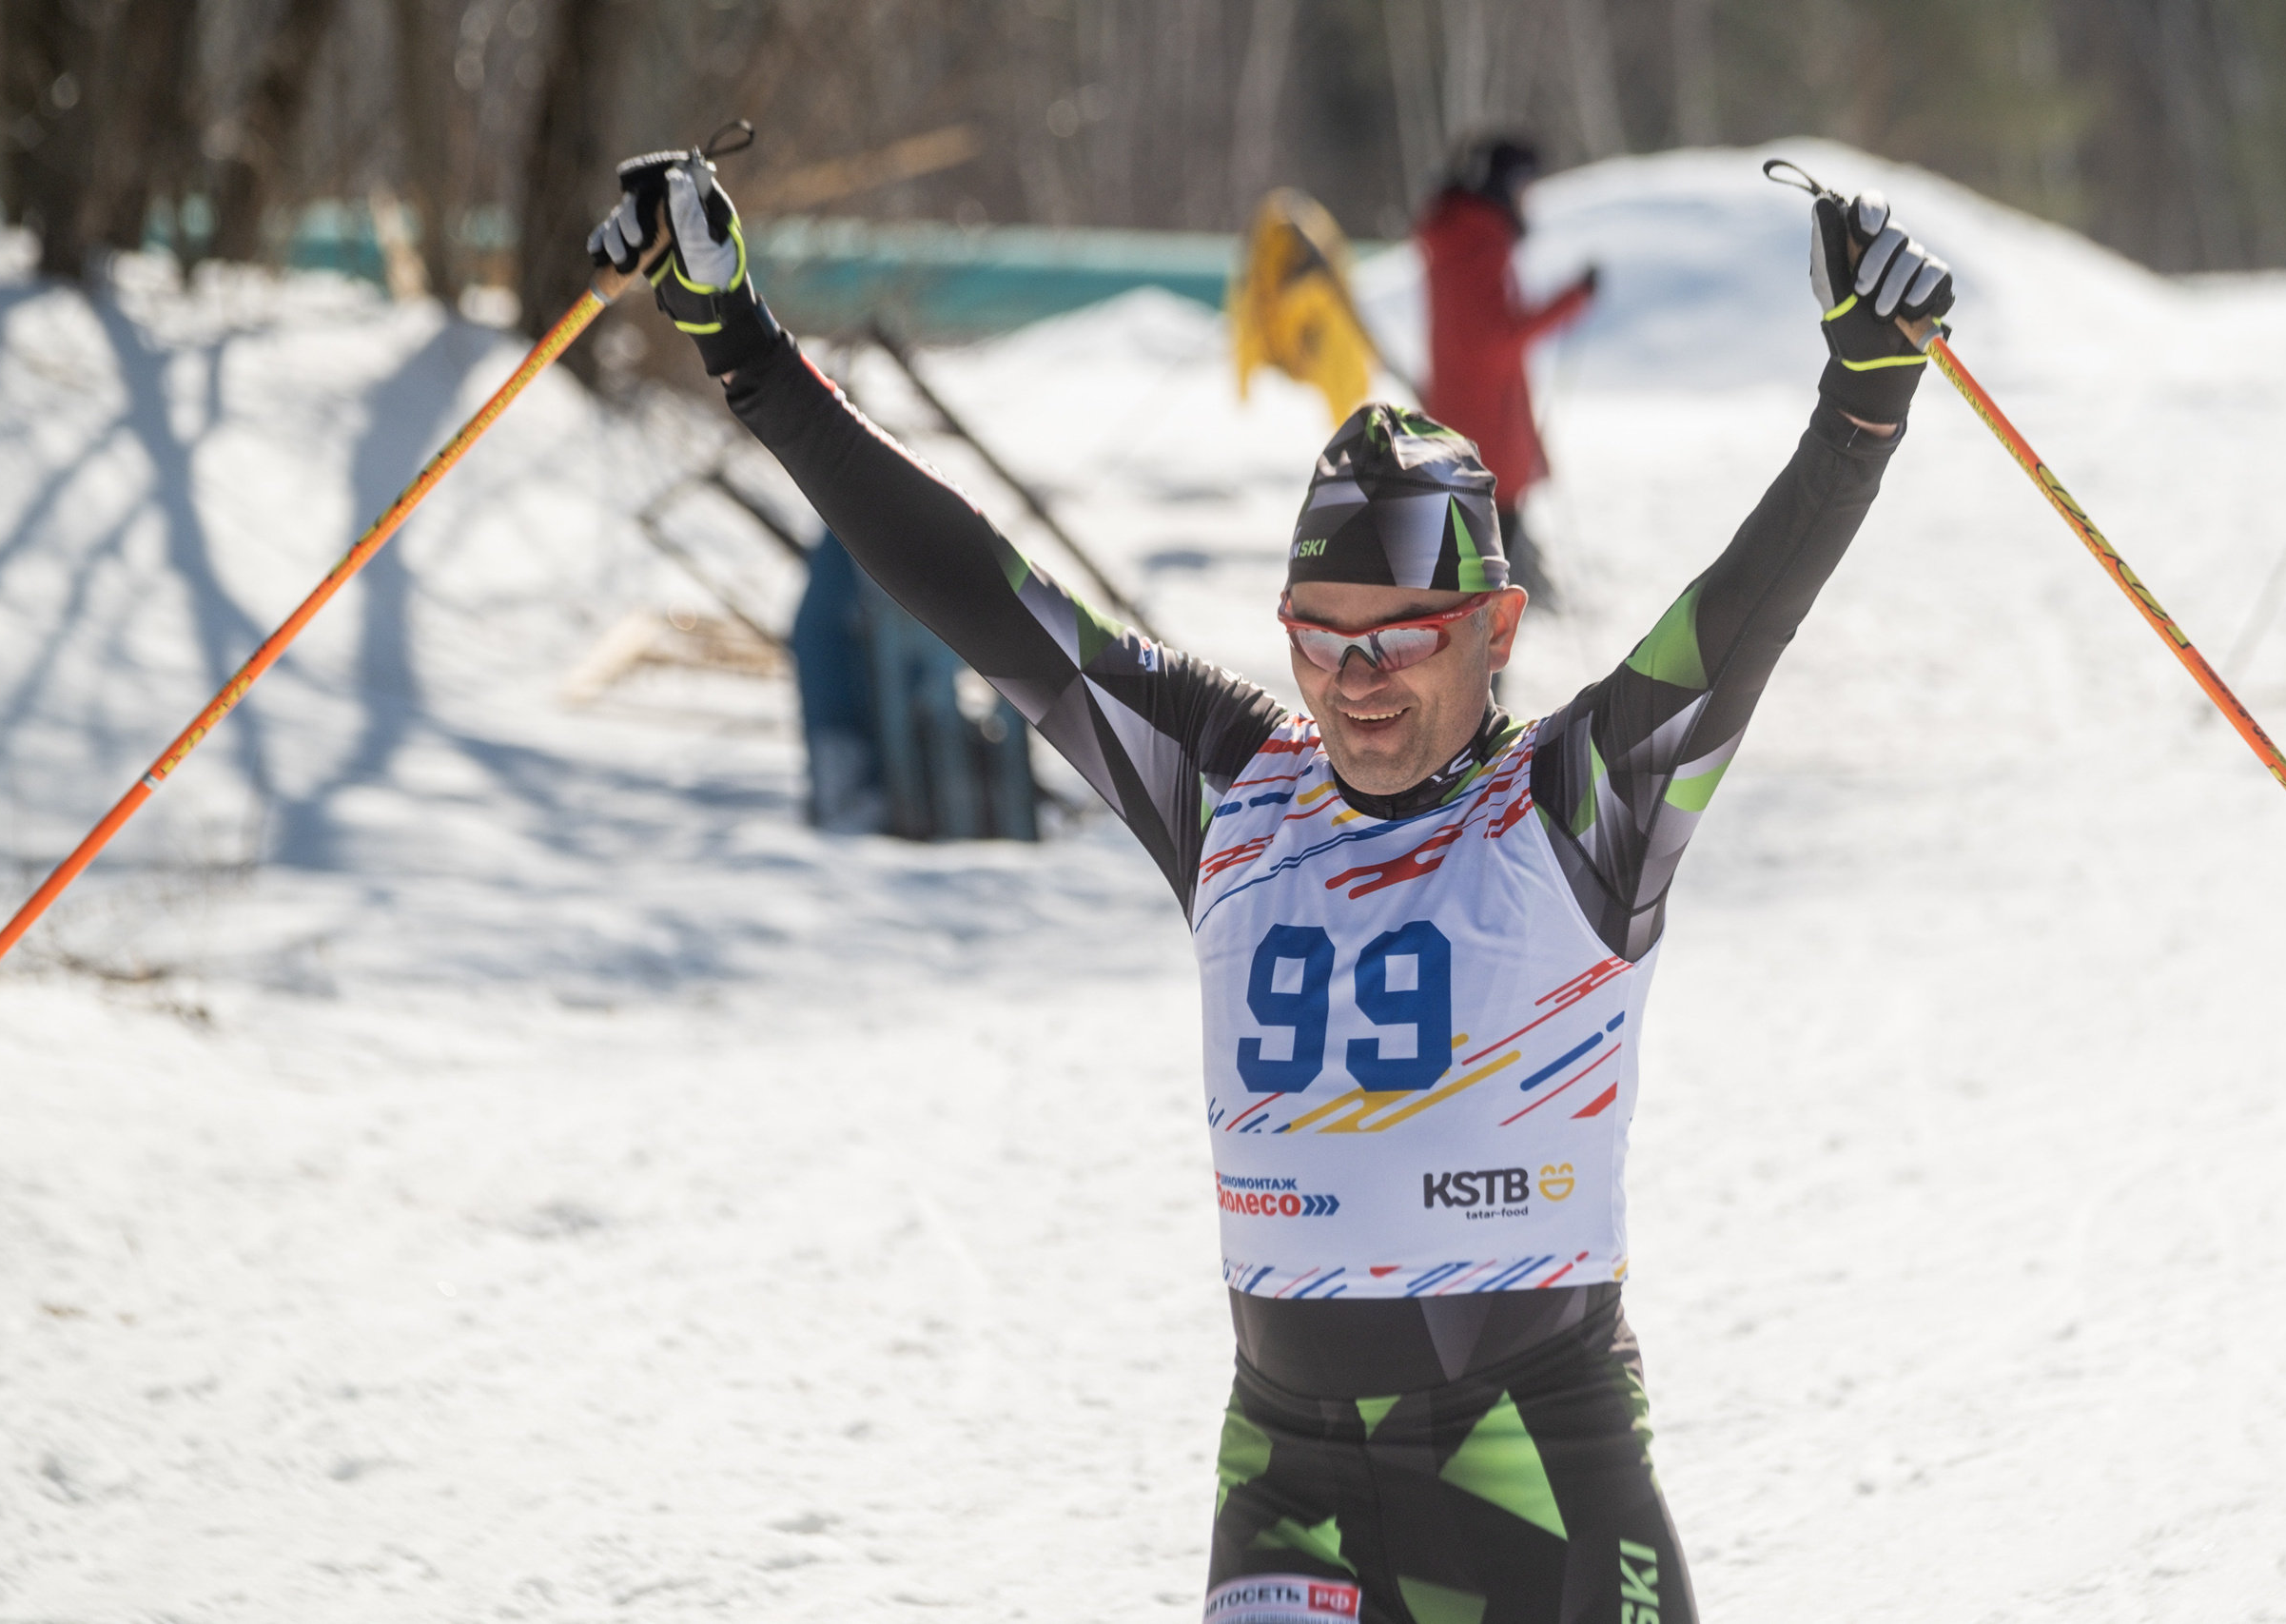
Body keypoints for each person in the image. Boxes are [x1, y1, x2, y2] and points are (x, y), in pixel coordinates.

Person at [588, 151, 1952, 1624]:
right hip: (1288, 1472)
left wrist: (1864, 404)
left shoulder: (1581, 805)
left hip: (1528, 1465)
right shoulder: (1233, 787)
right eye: (1319, 636)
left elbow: (1743, 611)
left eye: (1402, 638)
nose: (1355, 685)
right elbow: (980, 586)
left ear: (1498, 622)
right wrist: (740, 344)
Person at [1417, 137, 1598, 611]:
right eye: (1525, 188)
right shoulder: (1477, 241)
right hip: (1484, 446)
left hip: (1472, 436)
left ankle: (1481, 682)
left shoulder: (1463, 235)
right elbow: (1492, 341)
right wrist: (1573, 300)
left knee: (1474, 596)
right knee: (1480, 602)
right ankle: (1481, 684)